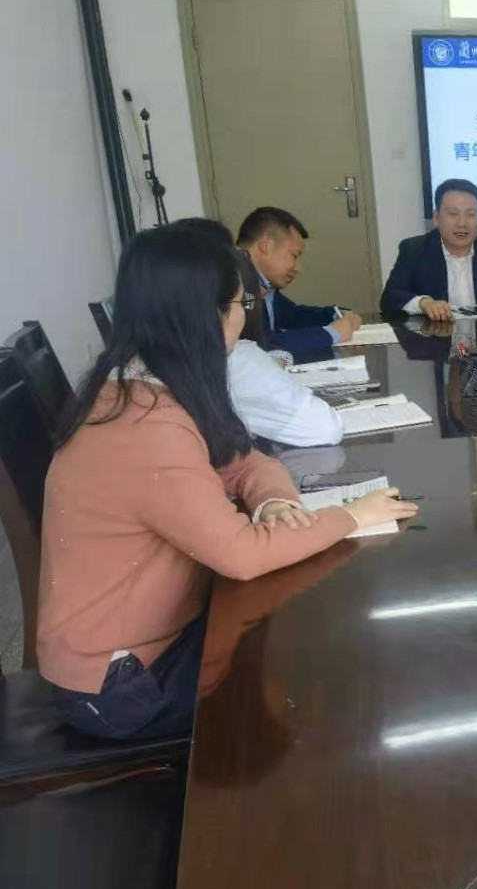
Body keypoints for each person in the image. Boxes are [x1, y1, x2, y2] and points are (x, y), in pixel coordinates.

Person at [37, 225, 417, 740]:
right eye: (240, 303)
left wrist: (272, 502)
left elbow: (243, 460)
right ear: (206, 315)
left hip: (157, 634)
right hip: (122, 684)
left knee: (301, 634)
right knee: (316, 668)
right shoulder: (145, 425)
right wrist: (352, 515)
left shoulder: (147, 384)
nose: (245, 316)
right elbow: (241, 554)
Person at [177, 218, 344, 447]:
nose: (298, 267)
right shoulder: (234, 359)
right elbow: (325, 428)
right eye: (242, 301)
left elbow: (289, 317)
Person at [380, 178, 477, 321]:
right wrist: (423, 303)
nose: (462, 223)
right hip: (436, 332)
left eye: (470, 214)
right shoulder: (414, 249)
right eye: (453, 214)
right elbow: (390, 297)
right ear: (436, 218)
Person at [237, 206, 362, 357]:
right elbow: (262, 345)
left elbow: (293, 315)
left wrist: (333, 314)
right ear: (266, 245)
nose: (298, 268)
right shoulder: (233, 282)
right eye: (294, 256)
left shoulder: (264, 283)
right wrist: (331, 333)